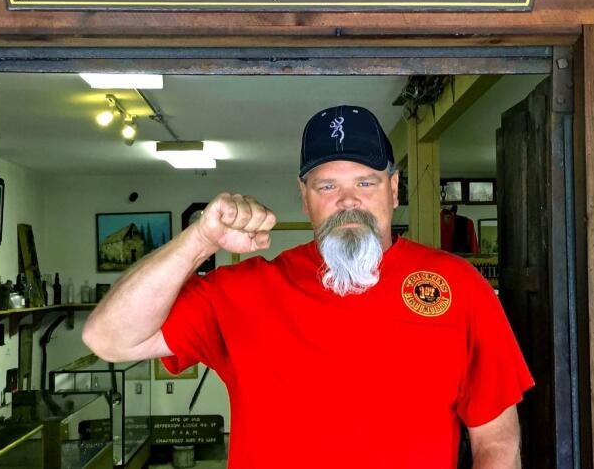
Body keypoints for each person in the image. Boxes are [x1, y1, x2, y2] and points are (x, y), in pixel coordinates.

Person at [82, 105, 533, 468]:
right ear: (304, 195)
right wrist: (198, 241)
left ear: (394, 189)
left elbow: (497, 441)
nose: (348, 200)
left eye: (365, 181)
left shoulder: (458, 286)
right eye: (327, 185)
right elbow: (108, 338)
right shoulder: (246, 291)